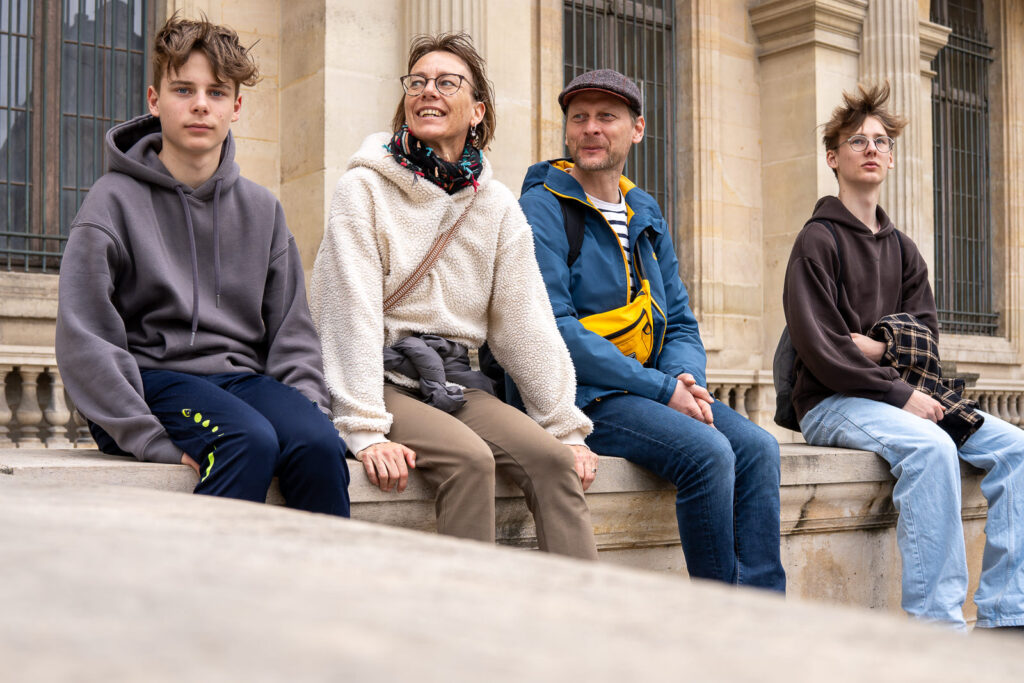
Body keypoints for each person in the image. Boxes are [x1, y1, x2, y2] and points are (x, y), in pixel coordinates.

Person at [310, 33, 597, 558]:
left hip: (456, 381)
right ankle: (470, 625)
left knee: (554, 463)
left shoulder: (498, 206)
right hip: (383, 375)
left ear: (477, 111)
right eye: (417, 82)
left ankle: (585, 626)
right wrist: (364, 429)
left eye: (446, 83)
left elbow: (524, 322)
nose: (428, 92)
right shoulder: (364, 189)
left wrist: (564, 426)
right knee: (471, 461)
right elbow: (345, 307)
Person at [55, 16, 350, 516]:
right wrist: (148, 439)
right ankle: (208, 591)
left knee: (319, 444)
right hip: (148, 381)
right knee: (248, 440)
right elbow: (85, 340)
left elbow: (292, 335)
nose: (199, 105)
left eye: (216, 93)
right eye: (183, 89)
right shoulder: (112, 201)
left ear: (235, 107)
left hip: (238, 381)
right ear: (154, 100)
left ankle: (321, 589)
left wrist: (308, 412)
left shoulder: (262, 210)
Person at [519, 69, 785, 590]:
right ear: (568, 132)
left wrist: (683, 378)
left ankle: (762, 616)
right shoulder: (542, 207)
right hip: (585, 395)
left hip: (650, 388)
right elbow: (555, 329)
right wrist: (664, 390)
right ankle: (720, 620)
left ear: (637, 129)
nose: (591, 129)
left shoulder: (645, 210)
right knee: (707, 454)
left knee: (759, 448)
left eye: (607, 117)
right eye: (580, 118)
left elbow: (680, 319)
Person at [784, 83, 1024, 631]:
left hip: (901, 395)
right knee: (932, 448)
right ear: (833, 157)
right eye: (857, 140)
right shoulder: (816, 241)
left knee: (1018, 449)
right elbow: (821, 346)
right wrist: (898, 387)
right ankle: (936, 629)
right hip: (830, 399)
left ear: (890, 158)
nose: (871, 148)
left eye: (881, 141)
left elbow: (926, 340)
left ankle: (1008, 614)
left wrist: (880, 343)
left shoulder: (903, 249)